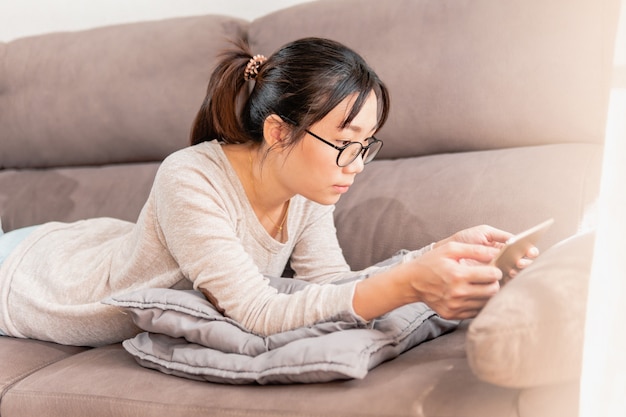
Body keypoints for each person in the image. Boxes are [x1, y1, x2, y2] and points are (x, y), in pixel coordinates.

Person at [0, 37, 536, 347]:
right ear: (280, 131)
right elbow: (256, 311)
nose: (356, 164)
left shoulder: (309, 187)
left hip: (96, 242)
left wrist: (443, 253)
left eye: (366, 145)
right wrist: (410, 284)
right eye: (344, 142)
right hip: (33, 274)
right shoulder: (188, 176)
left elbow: (328, 286)